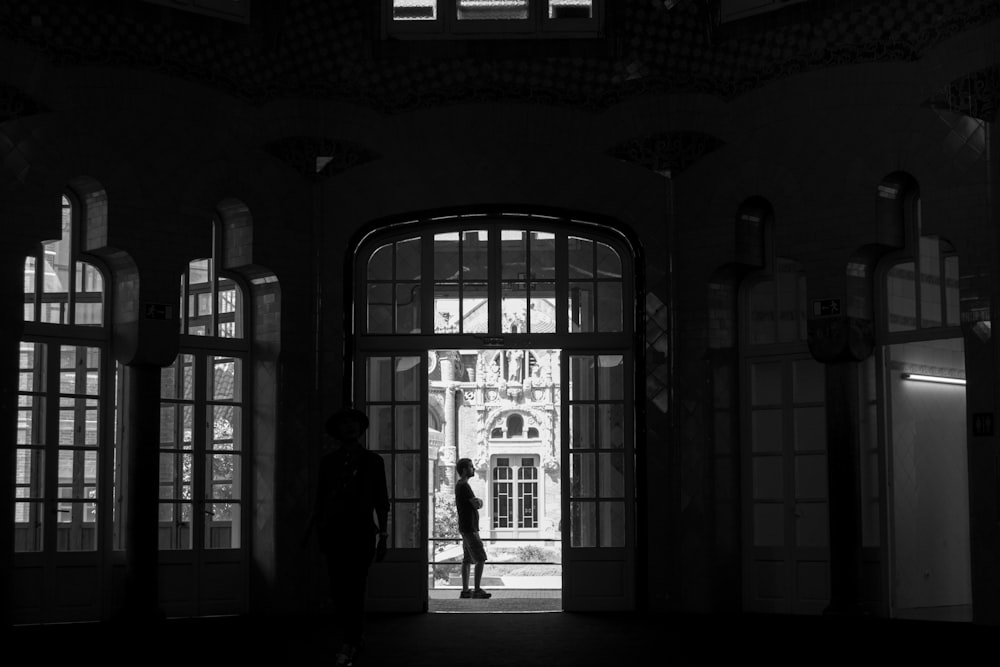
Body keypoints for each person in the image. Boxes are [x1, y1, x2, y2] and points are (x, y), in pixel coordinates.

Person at [303, 407, 390, 667]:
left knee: (356, 586)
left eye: (354, 423)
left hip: (361, 532)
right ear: (338, 431)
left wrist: (383, 534)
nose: (350, 427)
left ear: (361, 428)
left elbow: (381, 501)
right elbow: (320, 500)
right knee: (339, 588)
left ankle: (350, 640)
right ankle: (352, 635)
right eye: (345, 424)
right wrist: (315, 530)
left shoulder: (374, 462)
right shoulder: (328, 463)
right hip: (334, 533)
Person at [454, 457, 491, 599]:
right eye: (470, 467)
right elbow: (476, 504)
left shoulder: (459, 485)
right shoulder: (464, 486)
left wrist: (477, 502)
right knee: (480, 558)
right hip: (470, 528)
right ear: (464, 470)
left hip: (465, 527)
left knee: (467, 559)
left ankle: (465, 590)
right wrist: (479, 502)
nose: (473, 469)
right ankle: (476, 590)